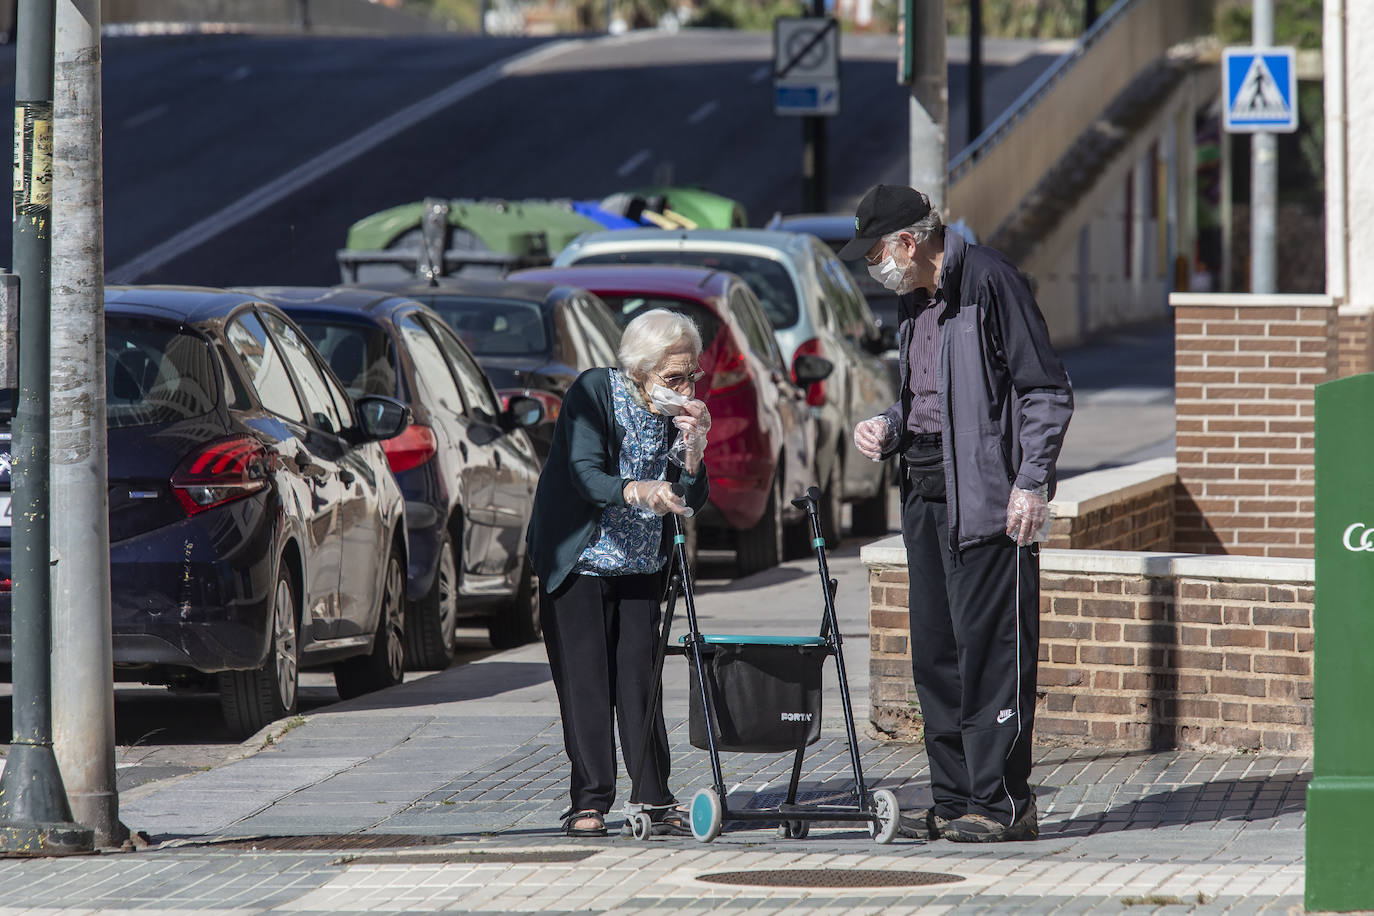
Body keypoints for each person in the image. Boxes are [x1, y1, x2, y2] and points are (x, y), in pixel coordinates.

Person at [842, 184, 1073, 843]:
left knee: (991, 655)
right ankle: (951, 800)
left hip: (989, 502)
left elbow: (1045, 391)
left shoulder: (991, 282)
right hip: (923, 493)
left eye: (876, 253)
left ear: (909, 243)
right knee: (935, 656)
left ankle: (1000, 804)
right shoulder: (912, 301)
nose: (872, 267)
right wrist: (888, 427)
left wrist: (1031, 484)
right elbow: (928, 400)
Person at [526, 309, 711, 838]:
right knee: (586, 683)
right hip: (579, 559)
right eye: (672, 377)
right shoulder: (593, 392)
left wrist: (693, 455)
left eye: (691, 375)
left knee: (640, 680)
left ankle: (653, 795)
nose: (684, 387)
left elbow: (694, 498)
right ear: (639, 369)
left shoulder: (680, 414)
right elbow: (583, 472)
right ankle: (589, 799)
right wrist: (638, 490)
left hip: (641, 562)